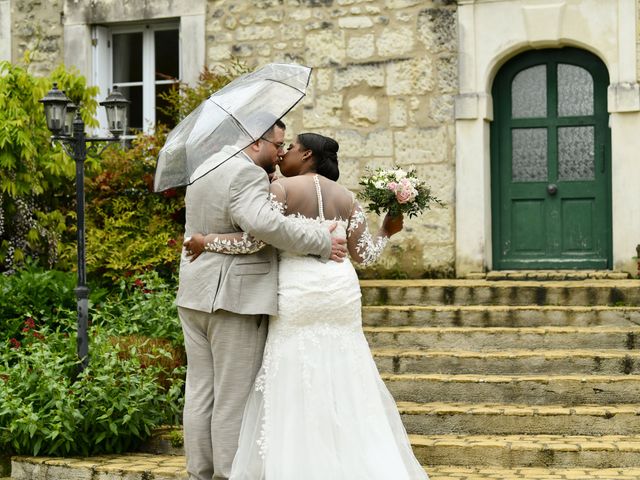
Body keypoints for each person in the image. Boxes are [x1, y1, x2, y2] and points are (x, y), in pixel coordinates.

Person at [184, 133, 430, 480]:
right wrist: (386, 232)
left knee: (292, 373)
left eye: (292, 148)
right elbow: (365, 256)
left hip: (298, 292)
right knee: (345, 372)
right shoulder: (347, 199)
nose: (283, 153)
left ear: (307, 155)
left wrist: (207, 241)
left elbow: (255, 240)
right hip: (339, 293)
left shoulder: (281, 191)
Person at [176, 122, 348, 480]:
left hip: (195, 293)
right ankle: (227, 474)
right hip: (233, 300)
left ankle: (199, 473)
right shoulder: (246, 174)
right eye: (277, 144)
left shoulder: (203, 167)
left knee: (199, 391)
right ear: (256, 141)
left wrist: (207, 241)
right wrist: (321, 241)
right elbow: (262, 227)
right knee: (232, 397)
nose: (280, 153)